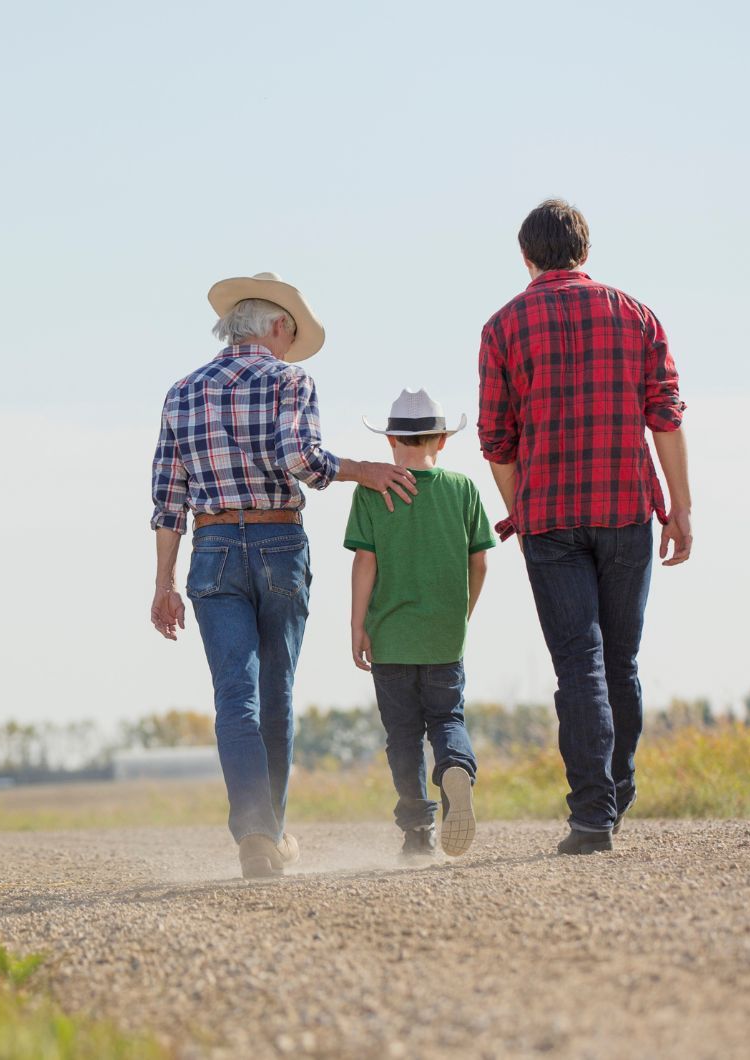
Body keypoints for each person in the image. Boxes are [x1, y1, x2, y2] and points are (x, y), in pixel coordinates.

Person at [149, 272, 418, 879]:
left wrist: (163, 584)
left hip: (212, 545)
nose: (294, 349)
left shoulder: (182, 392)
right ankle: (268, 832)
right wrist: (366, 470)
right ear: (276, 325)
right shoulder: (289, 379)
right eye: (292, 336)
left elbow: (168, 498)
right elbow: (302, 461)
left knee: (234, 698)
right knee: (276, 694)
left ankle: (256, 832)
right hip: (277, 540)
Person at [478, 200, 693, 855]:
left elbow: (496, 439)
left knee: (580, 666)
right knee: (619, 662)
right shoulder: (636, 314)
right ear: (584, 250)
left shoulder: (502, 326)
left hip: (551, 519)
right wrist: (680, 508)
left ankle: (592, 814)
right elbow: (667, 416)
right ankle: (616, 793)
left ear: (526, 256)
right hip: (627, 509)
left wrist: (523, 510)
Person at [345, 389, 494, 859]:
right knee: (447, 718)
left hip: (391, 638)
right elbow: (481, 563)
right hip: (444, 636)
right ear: (443, 441)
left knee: (404, 736)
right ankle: (455, 767)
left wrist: (357, 626)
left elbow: (365, 564)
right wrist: (460, 616)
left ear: (392, 440)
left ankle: (417, 833)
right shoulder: (463, 489)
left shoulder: (372, 489)